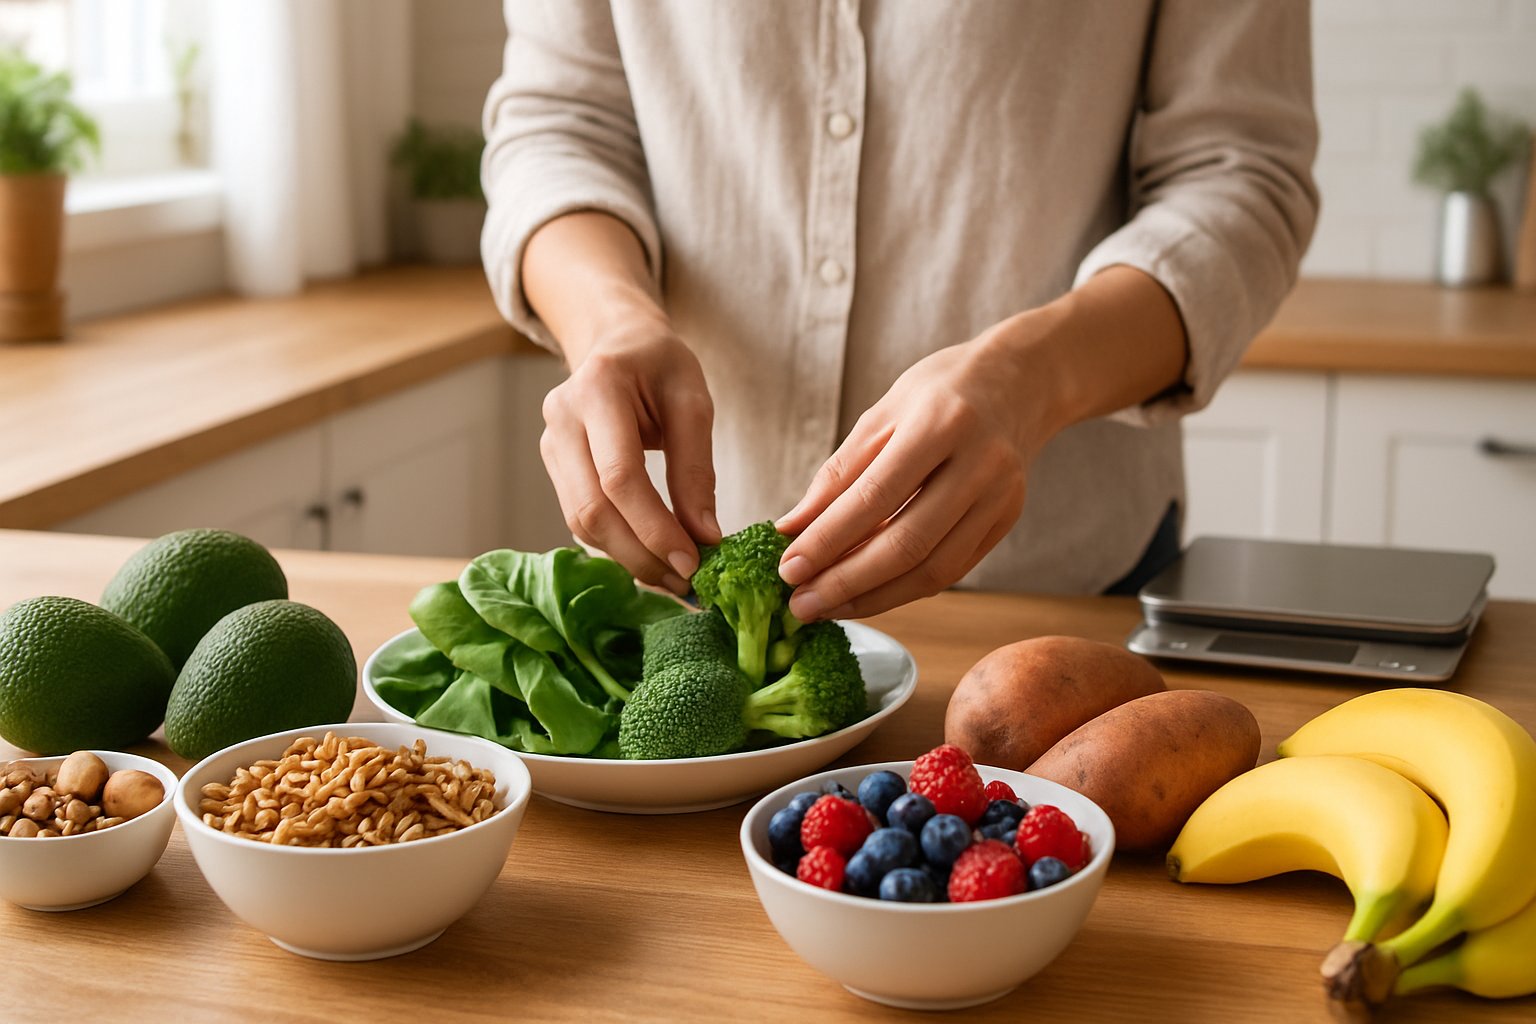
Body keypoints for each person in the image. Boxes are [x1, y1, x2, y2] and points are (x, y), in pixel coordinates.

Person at [480, 1, 1319, 622]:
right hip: (677, 590)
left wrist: (1032, 377)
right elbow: (560, 124)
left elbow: (1241, 174)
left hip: (1050, 591)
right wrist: (608, 319)